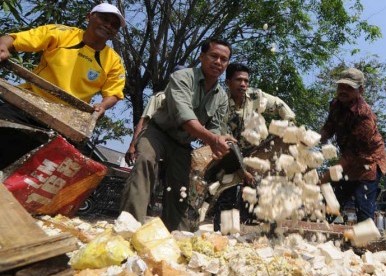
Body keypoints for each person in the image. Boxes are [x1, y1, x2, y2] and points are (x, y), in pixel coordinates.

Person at [120, 39, 234, 231]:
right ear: (202, 56)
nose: (218, 62)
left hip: (182, 144)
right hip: (158, 133)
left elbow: (215, 128)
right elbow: (185, 117)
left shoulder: (221, 96)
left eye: (224, 59)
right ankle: (128, 226)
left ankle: (176, 234)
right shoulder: (182, 77)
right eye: (214, 56)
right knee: (145, 161)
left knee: (181, 186)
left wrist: (220, 141)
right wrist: (213, 140)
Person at [0, 2, 126, 123]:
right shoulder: (62, 33)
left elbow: (114, 93)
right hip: (29, 101)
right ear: (89, 17)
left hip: (67, 118)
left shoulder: (114, 61)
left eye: (114, 25)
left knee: (69, 146)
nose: (109, 26)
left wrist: (103, 106)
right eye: (104, 19)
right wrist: (3, 47)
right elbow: (12, 39)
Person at [212, 62, 296, 230]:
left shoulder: (256, 96)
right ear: (228, 82)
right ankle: (222, 232)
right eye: (238, 80)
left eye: (246, 81)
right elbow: (226, 140)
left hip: (255, 151)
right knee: (227, 189)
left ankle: (270, 230)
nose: (243, 84)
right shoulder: (220, 101)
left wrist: (290, 125)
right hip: (229, 153)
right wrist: (243, 171)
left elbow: (280, 105)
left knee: (265, 188)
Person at [319, 68, 386, 223]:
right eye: (341, 86)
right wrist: (313, 139)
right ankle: (320, 233)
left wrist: (323, 179)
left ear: (360, 90)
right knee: (332, 202)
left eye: (349, 88)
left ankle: (365, 243)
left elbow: (352, 155)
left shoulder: (364, 116)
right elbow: (329, 127)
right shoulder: (336, 104)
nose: (343, 91)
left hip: (368, 161)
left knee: (362, 204)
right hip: (348, 159)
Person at [125, 65, 186, 166]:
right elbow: (143, 121)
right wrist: (133, 145)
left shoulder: (187, 103)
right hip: (153, 143)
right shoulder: (159, 97)